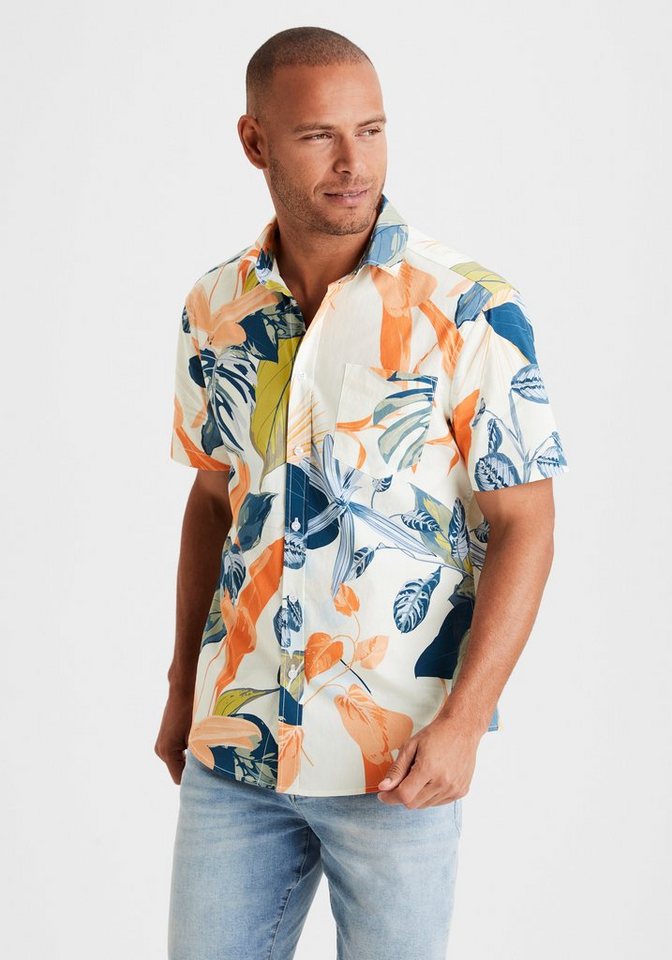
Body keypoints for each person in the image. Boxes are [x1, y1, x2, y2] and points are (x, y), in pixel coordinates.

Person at [155, 25, 570, 960]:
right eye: (319, 137)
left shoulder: (468, 306)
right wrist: (183, 687)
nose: (355, 163)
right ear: (255, 141)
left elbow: (527, 523)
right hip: (237, 744)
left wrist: (463, 724)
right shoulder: (214, 308)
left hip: (398, 761)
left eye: (372, 130)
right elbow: (213, 504)